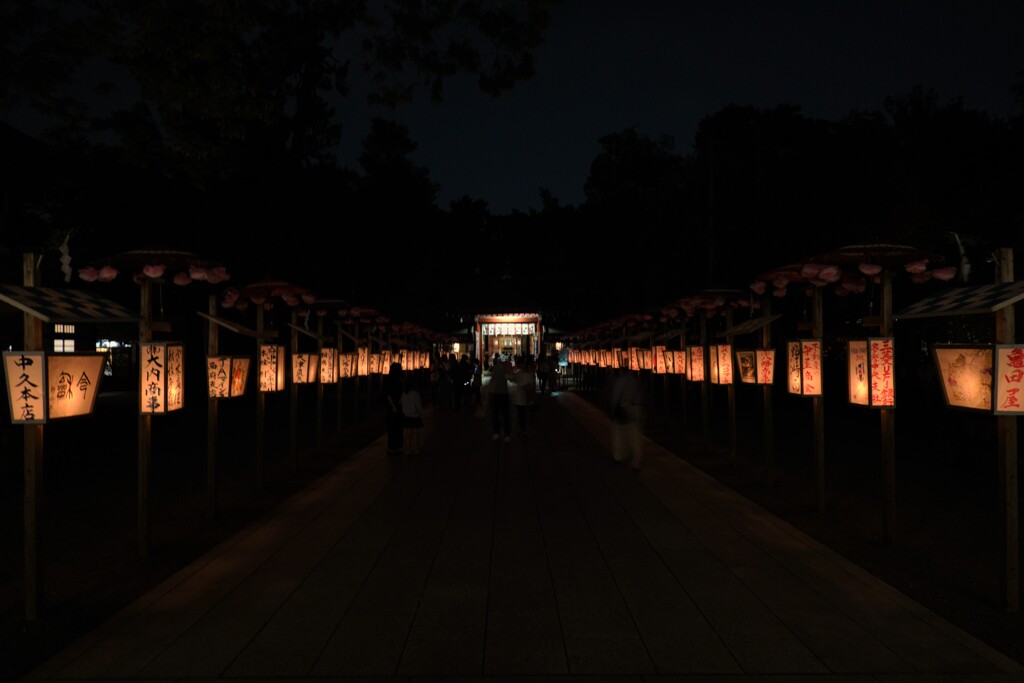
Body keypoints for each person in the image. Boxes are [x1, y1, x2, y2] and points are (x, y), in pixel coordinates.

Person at [608, 368, 643, 469]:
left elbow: (616, 395)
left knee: (619, 433)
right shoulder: (636, 380)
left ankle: (618, 455)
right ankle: (636, 460)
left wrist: (613, 408)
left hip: (624, 407)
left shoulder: (621, 380)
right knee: (635, 435)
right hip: (637, 407)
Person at [486, 358, 512, 442]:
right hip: (502, 392)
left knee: (494, 413)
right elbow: (510, 377)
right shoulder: (505, 367)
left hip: (493, 392)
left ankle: (496, 432)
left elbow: (490, 375)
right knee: (505, 414)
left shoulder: (495, 368)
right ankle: (506, 434)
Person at [382, 361, 405, 454]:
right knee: (397, 426)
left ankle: (393, 446)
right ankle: (397, 446)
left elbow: (387, 393)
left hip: (393, 406)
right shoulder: (397, 380)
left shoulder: (389, 379)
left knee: (393, 427)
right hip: (395, 405)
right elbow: (389, 394)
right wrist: (394, 406)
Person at [510, 355, 537, 435]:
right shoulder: (529, 374)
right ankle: (525, 428)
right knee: (525, 414)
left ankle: (523, 428)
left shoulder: (519, 374)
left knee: (521, 414)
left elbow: (512, 378)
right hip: (526, 397)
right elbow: (532, 385)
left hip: (520, 397)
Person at [400, 375, 425, 455]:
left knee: (407, 434)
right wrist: (422, 413)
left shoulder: (404, 394)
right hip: (415, 416)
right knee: (415, 434)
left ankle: (407, 450)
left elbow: (400, 403)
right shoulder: (416, 394)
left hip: (406, 416)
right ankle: (415, 449)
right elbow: (418, 406)